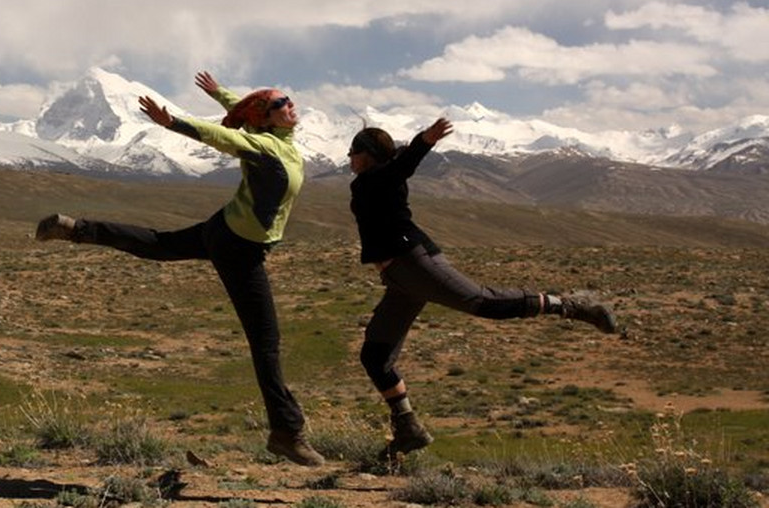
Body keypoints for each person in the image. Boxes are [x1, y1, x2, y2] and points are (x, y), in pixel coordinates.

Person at [35, 71, 324, 466]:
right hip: (239, 248)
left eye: (287, 98)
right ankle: (286, 432)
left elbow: (242, 111)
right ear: (265, 118)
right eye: (279, 103)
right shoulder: (262, 147)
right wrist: (173, 123)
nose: (288, 104)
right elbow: (224, 136)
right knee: (266, 342)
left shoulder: (281, 141)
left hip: (224, 230)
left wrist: (221, 94)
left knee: (159, 244)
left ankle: (76, 229)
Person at [348, 117, 618, 458]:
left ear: (368, 155)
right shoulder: (372, 179)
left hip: (415, 263)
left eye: (352, 153)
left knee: (481, 302)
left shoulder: (378, 179)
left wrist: (424, 142)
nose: (349, 160)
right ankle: (408, 428)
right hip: (400, 280)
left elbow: (401, 166)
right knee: (374, 355)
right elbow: (398, 163)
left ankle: (573, 306)